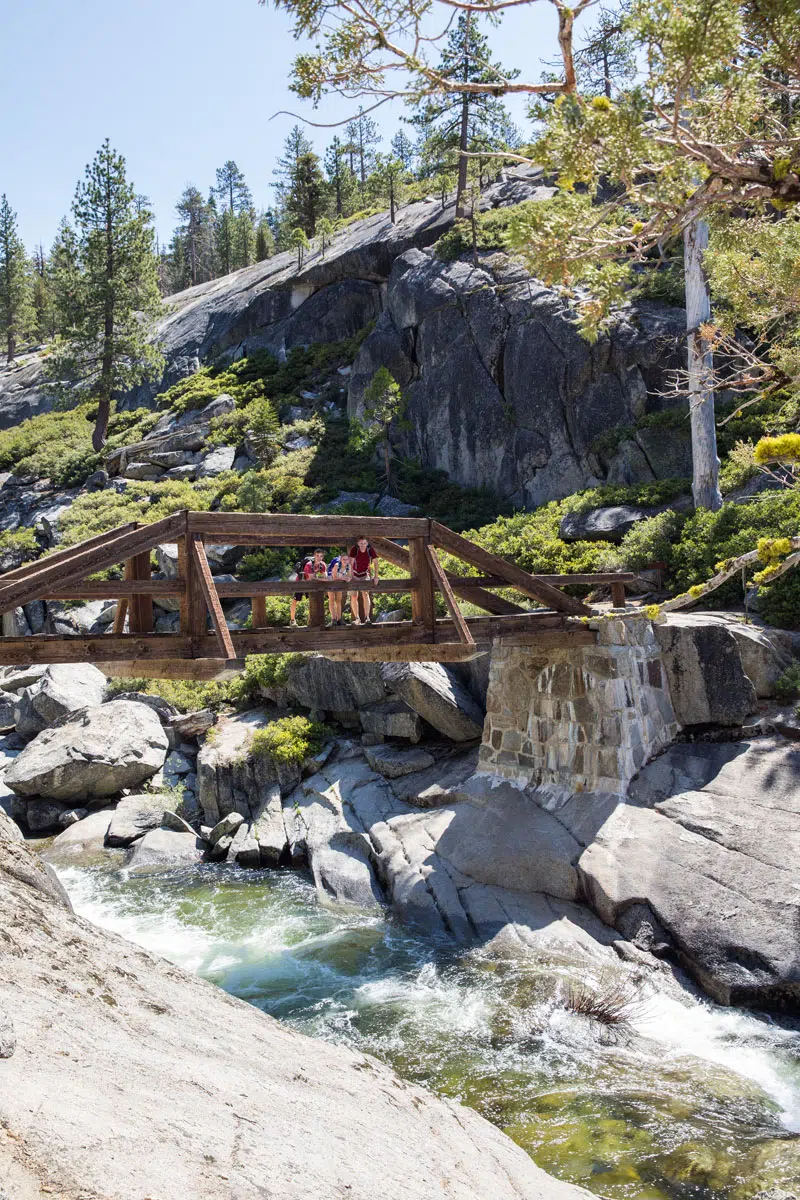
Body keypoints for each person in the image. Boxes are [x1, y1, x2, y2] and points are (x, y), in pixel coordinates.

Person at [348, 535, 378, 625]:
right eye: (361, 543)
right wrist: (351, 576)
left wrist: (376, 576)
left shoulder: (370, 549)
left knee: (365, 594)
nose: (363, 545)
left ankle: (367, 617)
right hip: (354, 574)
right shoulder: (354, 549)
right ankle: (357, 618)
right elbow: (350, 563)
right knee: (354, 596)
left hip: (365, 574)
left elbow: (376, 562)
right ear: (358, 543)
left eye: (364, 543)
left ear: (367, 543)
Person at [327, 551, 352, 626]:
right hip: (331, 581)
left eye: (346, 559)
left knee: (338, 600)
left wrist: (348, 578)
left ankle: (339, 619)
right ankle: (333, 619)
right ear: (341, 559)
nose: (345, 561)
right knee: (331, 600)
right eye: (343, 559)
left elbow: (350, 576)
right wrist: (344, 578)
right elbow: (334, 577)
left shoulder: (348, 566)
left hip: (339, 583)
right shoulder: (337, 565)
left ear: (348, 560)